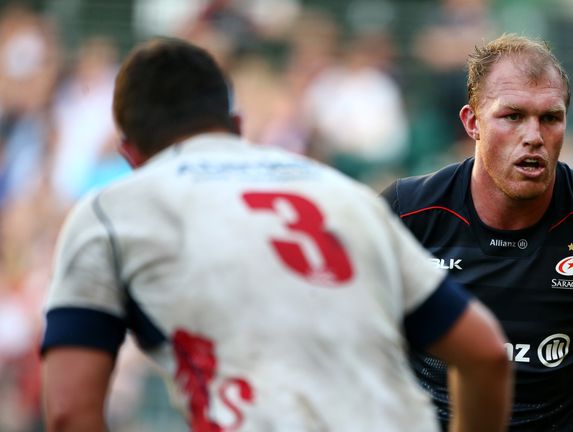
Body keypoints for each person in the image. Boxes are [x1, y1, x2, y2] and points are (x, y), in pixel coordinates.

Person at [40, 37, 512, 432]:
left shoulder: (112, 211)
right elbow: (486, 353)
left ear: (128, 154)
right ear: (238, 127)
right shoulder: (343, 195)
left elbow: (67, 411)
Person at [382, 33, 573, 431]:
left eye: (550, 118)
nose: (533, 136)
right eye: (513, 116)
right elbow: (352, 347)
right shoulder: (408, 213)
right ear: (472, 122)